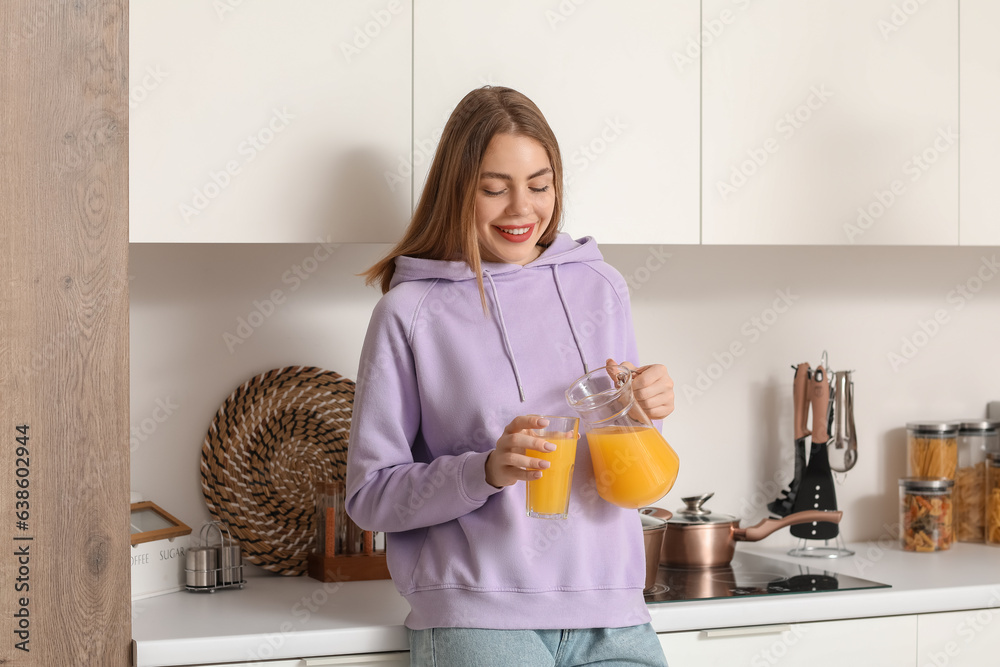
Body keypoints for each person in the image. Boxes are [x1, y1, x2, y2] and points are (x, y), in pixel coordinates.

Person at [346, 86, 675, 667]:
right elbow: (371, 498)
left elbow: (626, 460)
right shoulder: (410, 312)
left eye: (540, 185)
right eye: (494, 189)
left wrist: (643, 404)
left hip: (614, 612)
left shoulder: (600, 287)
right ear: (458, 192)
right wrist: (485, 470)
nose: (523, 209)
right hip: (481, 620)